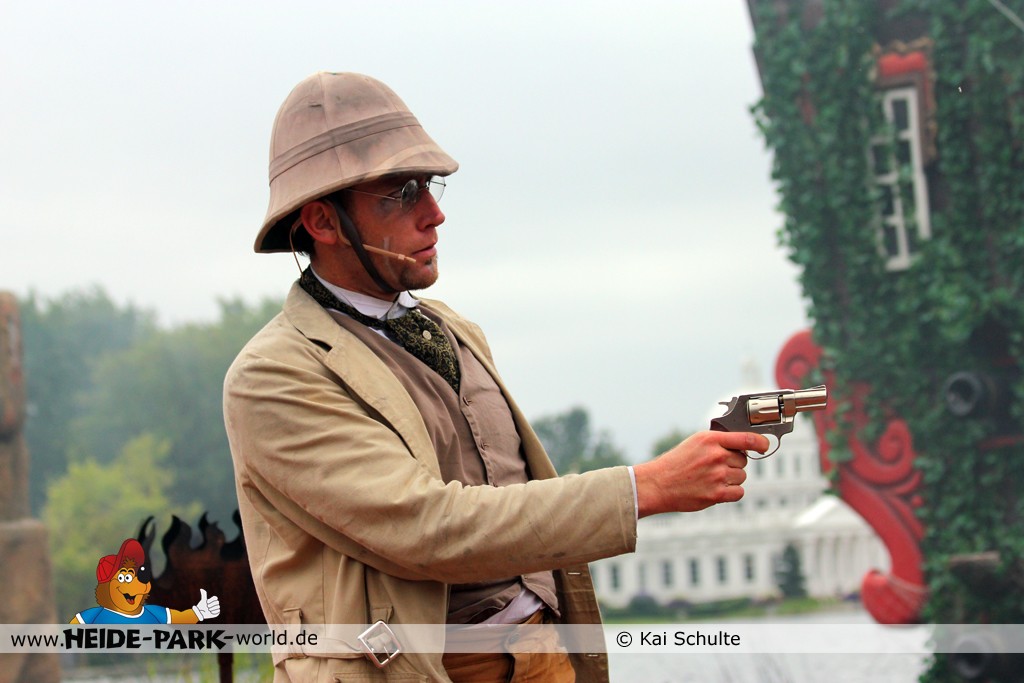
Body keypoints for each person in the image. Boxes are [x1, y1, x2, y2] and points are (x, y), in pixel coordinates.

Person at [223, 71, 766, 683]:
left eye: (429, 188)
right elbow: (427, 529)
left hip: (547, 653)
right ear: (323, 222)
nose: (434, 215)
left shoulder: (454, 330)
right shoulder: (272, 376)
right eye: (400, 194)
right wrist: (649, 487)